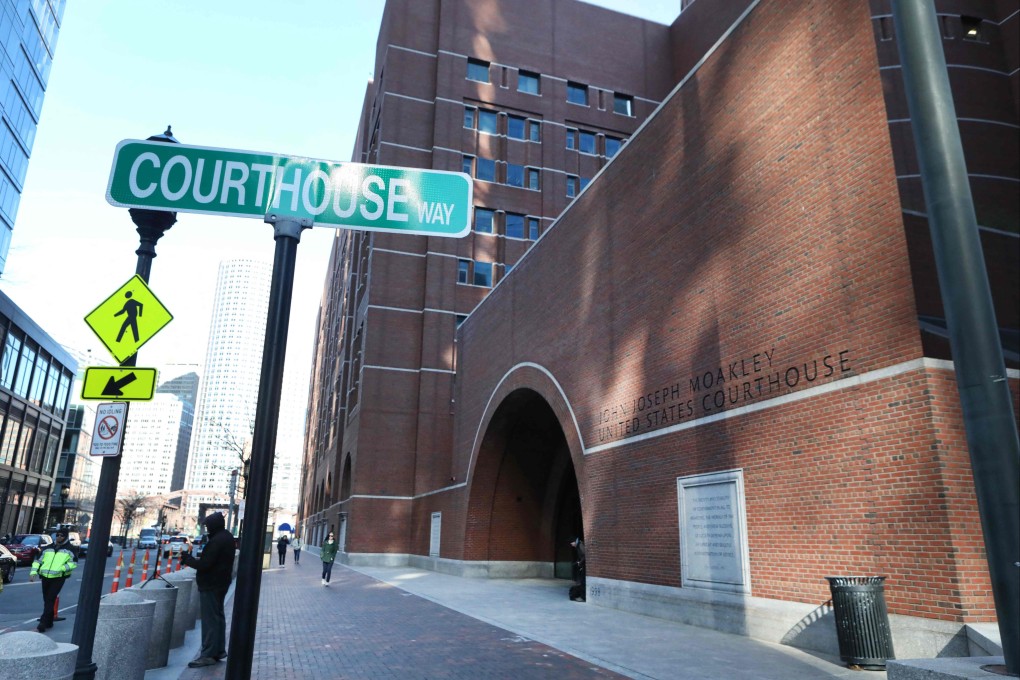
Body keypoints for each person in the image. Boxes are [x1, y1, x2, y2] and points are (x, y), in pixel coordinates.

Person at [181, 512, 235, 668]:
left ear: (213, 525)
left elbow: (205, 564)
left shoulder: (217, 540)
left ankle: (208, 654)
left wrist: (189, 560)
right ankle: (218, 651)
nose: (206, 528)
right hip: (220, 583)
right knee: (217, 617)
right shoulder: (226, 537)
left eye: (207, 525)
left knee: (210, 620)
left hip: (212, 584)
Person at [30, 528, 77, 632]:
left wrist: (61, 569)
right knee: (47, 599)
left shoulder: (70, 549)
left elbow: (73, 563)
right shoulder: (48, 548)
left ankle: (43, 623)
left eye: (62, 536)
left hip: (58, 577)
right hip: (45, 577)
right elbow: (38, 561)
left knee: (50, 598)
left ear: (66, 537)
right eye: (57, 535)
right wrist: (33, 572)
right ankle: (49, 621)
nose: (59, 537)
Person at [569, 537, 586, 602]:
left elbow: (585, 555)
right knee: (582, 581)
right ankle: (582, 596)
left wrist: (580, 563)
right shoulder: (578, 545)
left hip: (584, 566)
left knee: (583, 582)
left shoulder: (580, 545)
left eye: (571, 543)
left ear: (574, 542)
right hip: (583, 566)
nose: (572, 545)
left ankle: (583, 597)